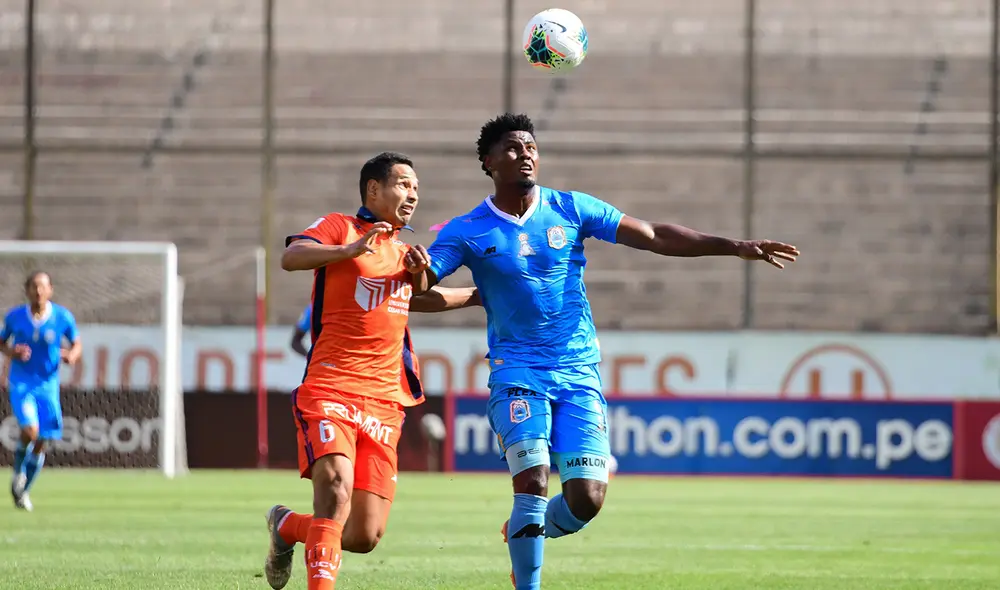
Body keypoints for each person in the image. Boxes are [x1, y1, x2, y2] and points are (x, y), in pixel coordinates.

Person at [419, 113, 800, 590]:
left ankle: (523, 532)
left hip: (577, 371)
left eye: (531, 147)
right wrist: (429, 277)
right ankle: (528, 572)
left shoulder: (570, 207)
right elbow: (418, 288)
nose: (526, 155)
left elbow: (655, 235)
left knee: (587, 499)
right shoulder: (465, 230)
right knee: (533, 481)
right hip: (517, 371)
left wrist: (734, 246)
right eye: (513, 148)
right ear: (488, 162)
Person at [263, 152, 478, 590]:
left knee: (363, 536)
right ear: (373, 189)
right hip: (331, 386)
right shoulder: (340, 227)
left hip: (385, 401)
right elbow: (291, 256)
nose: (413, 194)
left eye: (416, 187)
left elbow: (418, 298)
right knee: (336, 489)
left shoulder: (404, 253)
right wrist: (347, 250)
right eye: (403, 184)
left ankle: (287, 526)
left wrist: (477, 295)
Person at [1, 271, 82, 512]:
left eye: (42, 287)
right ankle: (18, 474)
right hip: (22, 382)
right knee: (31, 429)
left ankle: (23, 491)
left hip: (48, 385)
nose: (38, 291)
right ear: (26, 290)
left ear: (50, 290)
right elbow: (1, 341)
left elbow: (76, 343)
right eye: (34, 287)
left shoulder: (62, 317)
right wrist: (11, 352)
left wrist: (72, 356)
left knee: (43, 440)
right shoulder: (15, 317)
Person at [290, 290, 481, 358]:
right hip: (329, 373)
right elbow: (295, 341)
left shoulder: (364, 301)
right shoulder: (316, 306)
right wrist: (313, 357)